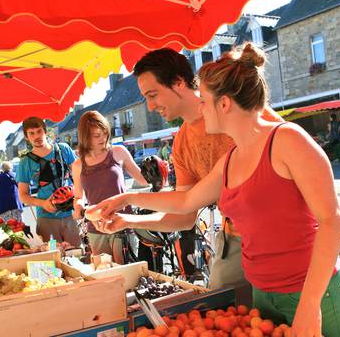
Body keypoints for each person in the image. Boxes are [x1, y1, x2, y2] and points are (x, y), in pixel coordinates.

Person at [91, 43, 340, 337]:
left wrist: (309, 305)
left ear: (225, 104)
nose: (201, 108)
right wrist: (126, 201)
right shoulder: (230, 160)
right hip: (264, 295)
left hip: (310, 294)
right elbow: (187, 201)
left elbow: (332, 221)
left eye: (205, 100)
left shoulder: (286, 140)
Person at [117, 47, 283, 293]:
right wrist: (126, 219)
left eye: (153, 94)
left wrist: (127, 202)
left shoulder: (243, 113)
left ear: (179, 82)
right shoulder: (183, 142)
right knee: (222, 309)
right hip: (236, 239)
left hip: (280, 237)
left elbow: (291, 161)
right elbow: (185, 212)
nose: (150, 106)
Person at [71, 111, 148, 264]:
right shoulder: (78, 165)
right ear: (85, 137)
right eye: (96, 135)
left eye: (104, 133)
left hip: (123, 222)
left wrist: (156, 169)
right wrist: (79, 207)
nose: (103, 138)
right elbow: (78, 196)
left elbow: (144, 180)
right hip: (96, 227)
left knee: (127, 272)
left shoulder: (118, 152)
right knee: (104, 273)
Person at [16, 117, 80, 246]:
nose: (36, 136)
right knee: (53, 259)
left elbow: (80, 176)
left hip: (71, 214)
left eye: (39, 131)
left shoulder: (64, 150)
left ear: (45, 131)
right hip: (46, 218)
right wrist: (43, 203)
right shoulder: (25, 162)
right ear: (26, 137)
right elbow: (23, 196)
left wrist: (79, 199)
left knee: (77, 254)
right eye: (31, 133)